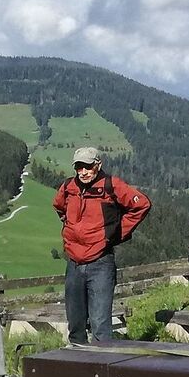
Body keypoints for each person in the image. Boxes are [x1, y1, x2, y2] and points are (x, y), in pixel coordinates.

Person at [53, 147, 151, 345]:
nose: (83, 172)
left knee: (100, 323)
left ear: (98, 165)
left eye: (88, 166)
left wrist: (115, 234)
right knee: (75, 323)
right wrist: (70, 229)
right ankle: (78, 368)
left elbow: (141, 205)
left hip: (101, 262)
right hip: (74, 263)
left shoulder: (111, 185)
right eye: (79, 167)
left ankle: (101, 368)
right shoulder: (68, 187)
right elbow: (59, 206)